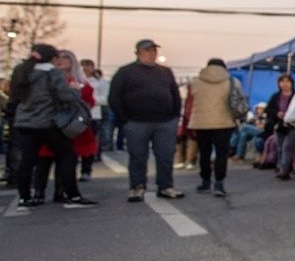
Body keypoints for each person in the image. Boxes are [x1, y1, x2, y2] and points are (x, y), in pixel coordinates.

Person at [9, 44, 97, 210]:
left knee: (27, 161)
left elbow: (14, 96)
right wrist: (75, 90)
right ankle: (73, 195)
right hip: (47, 122)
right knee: (68, 156)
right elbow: (65, 95)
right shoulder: (52, 72)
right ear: (52, 58)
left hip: (24, 122)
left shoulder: (22, 70)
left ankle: (24, 198)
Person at [109, 38, 185, 201]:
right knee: (138, 155)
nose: (151, 54)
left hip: (165, 121)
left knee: (165, 156)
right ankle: (137, 186)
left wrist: (174, 116)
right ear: (138, 53)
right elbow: (114, 97)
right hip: (136, 121)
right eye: (147, 50)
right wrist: (124, 119)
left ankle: (165, 186)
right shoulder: (125, 72)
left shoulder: (165, 72)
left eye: (153, 51)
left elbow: (175, 94)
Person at [31, 50, 99, 198]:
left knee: (67, 159)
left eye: (65, 57)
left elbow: (89, 102)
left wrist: (77, 95)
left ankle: (61, 190)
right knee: (44, 158)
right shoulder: (47, 78)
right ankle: (38, 192)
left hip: (69, 126)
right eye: (58, 57)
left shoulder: (81, 82)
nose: (61, 60)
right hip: (48, 123)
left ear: (72, 61)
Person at [187, 58, 237, 197]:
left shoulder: (195, 82)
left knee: (204, 153)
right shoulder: (232, 81)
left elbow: (190, 103)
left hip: (201, 123)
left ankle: (205, 181)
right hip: (224, 122)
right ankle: (219, 184)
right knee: (221, 154)